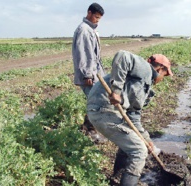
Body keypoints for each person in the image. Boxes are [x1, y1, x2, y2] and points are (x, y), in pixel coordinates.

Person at [87, 50, 173, 186]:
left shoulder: (145, 87)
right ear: (160, 68)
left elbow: (133, 116)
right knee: (139, 152)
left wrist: (146, 139)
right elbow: (122, 56)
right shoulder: (146, 69)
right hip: (103, 109)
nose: (162, 79)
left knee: (132, 142)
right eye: (164, 75)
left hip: (105, 112)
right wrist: (116, 90)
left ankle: (116, 179)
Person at [72, 3, 105, 132]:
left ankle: (89, 127)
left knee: (96, 101)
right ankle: (89, 129)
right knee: (96, 102)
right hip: (88, 75)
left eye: (99, 18)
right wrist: (87, 74)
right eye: (96, 17)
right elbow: (83, 54)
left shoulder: (91, 30)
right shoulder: (84, 30)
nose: (97, 20)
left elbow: (94, 56)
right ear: (89, 13)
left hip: (94, 73)